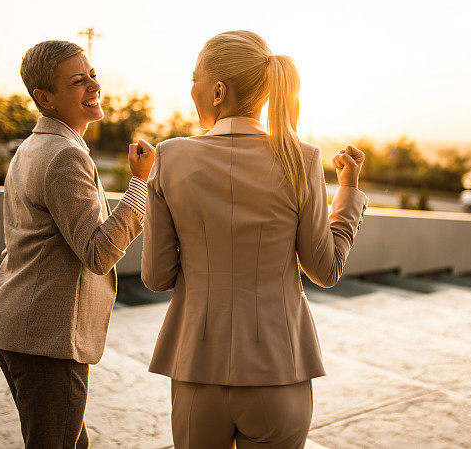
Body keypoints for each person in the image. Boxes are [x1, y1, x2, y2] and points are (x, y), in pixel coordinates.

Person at [141, 30, 369, 448]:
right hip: (280, 372)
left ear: (217, 91)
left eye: (195, 78)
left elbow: (157, 277)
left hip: (197, 371)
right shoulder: (302, 158)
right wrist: (348, 193)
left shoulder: (170, 158)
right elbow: (325, 269)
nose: (191, 89)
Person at [0, 40, 155, 448]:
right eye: (78, 81)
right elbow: (97, 253)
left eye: (92, 74)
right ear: (46, 98)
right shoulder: (64, 155)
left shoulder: (33, 147)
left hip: (19, 328)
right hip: (47, 339)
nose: (93, 86)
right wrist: (140, 184)